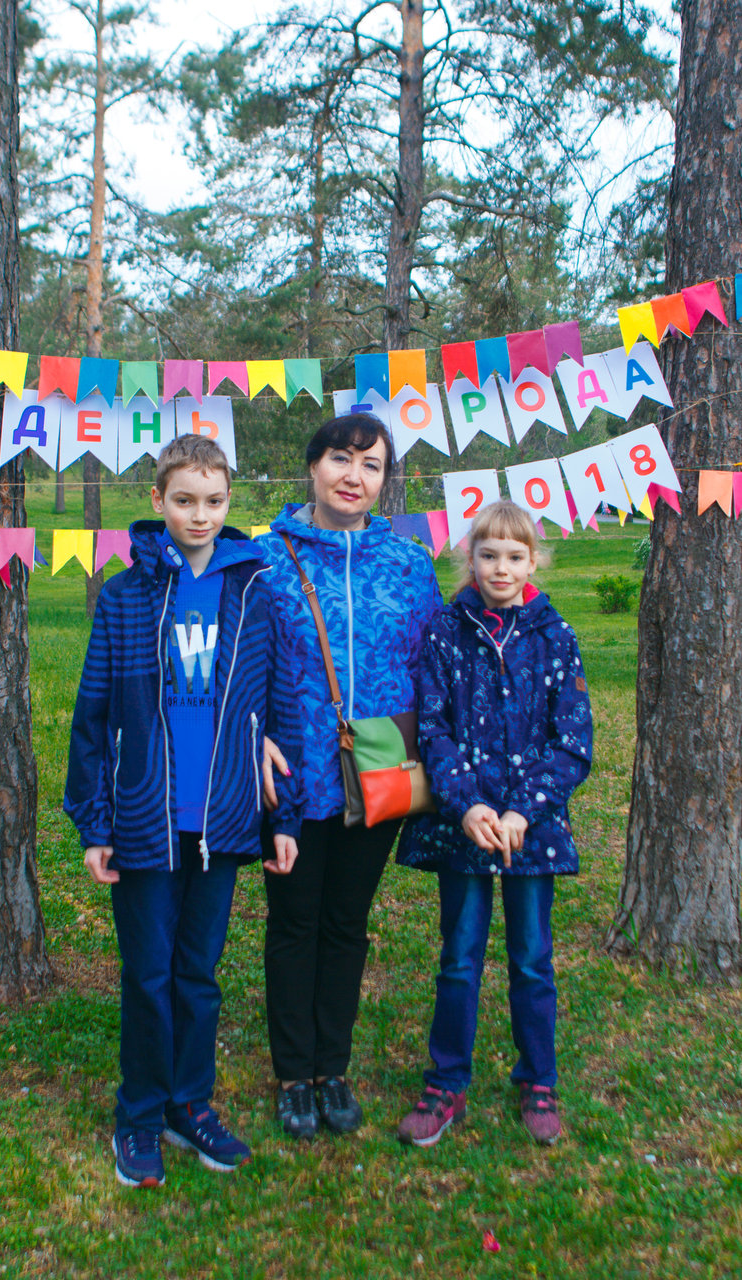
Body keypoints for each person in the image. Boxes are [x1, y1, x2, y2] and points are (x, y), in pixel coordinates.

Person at [64, 434, 302, 1188]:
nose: (201, 515)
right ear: (158, 501)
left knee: (197, 973)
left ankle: (189, 1104)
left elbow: (282, 707)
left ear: (230, 501)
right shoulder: (126, 596)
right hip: (145, 817)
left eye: (215, 501)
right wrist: (95, 824)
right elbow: (93, 717)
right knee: (147, 975)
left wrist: (285, 818)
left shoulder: (255, 591)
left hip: (224, 817)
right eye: (185, 501)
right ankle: (138, 1114)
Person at [258, 412, 442, 1140]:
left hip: (380, 775)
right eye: (341, 458)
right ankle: (291, 1074)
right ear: (313, 466)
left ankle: (331, 1068)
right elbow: (242, 666)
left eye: (371, 465)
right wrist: (252, 739)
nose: (354, 476)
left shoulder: (409, 564)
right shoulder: (263, 560)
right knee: (293, 923)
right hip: (293, 775)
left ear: (384, 480)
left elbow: (430, 667)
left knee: (345, 924)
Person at [396, 499, 592, 1148]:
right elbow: (432, 730)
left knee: (531, 959)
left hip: (530, 831)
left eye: (513, 556)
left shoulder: (554, 636)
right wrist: (469, 806)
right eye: (487, 555)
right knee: (459, 957)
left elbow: (572, 743)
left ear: (533, 562)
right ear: (469, 559)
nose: (500, 568)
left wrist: (520, 811)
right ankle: (446, 1082)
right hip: (466, 829)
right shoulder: (445, 633)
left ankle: (538, 1079)